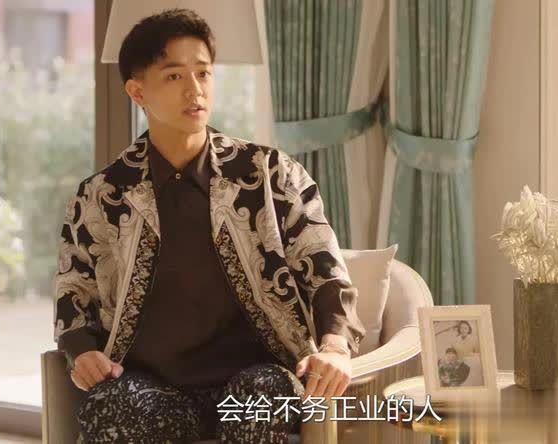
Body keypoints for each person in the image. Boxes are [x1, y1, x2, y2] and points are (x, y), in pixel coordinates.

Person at [53, 8, 366, 444]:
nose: (195, 89)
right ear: (137, 91)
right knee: (109, 408)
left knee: (266, 395)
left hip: (258, 377)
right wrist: (82, 351)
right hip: (153, 387)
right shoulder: (102, 194)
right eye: (174, 76)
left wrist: (334, 346)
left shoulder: (271, 175)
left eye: (203, 73)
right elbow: (74, 291)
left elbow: (325, 269)